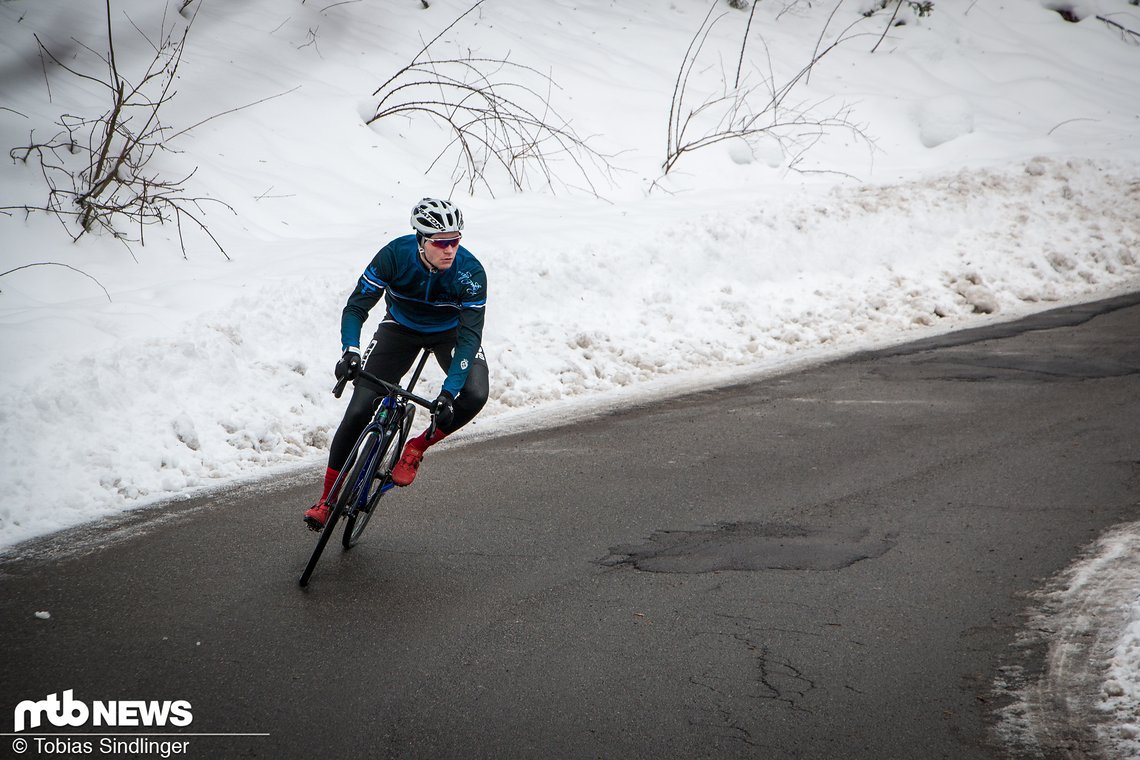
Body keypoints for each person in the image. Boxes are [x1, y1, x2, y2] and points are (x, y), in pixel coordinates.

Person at [304, 198, 489, 531]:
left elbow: (470, 339)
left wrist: (449, 393)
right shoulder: (393, 256)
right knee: (360, 410)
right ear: (421, 240)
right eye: (441, 242)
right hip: (400, 329)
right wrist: (350, 351)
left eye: (456, 240)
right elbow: (356, 308)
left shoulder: (471, 274)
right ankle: (326, 499)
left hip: (452, 335)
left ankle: (415, 448)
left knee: (474, 393)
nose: (450, 249)